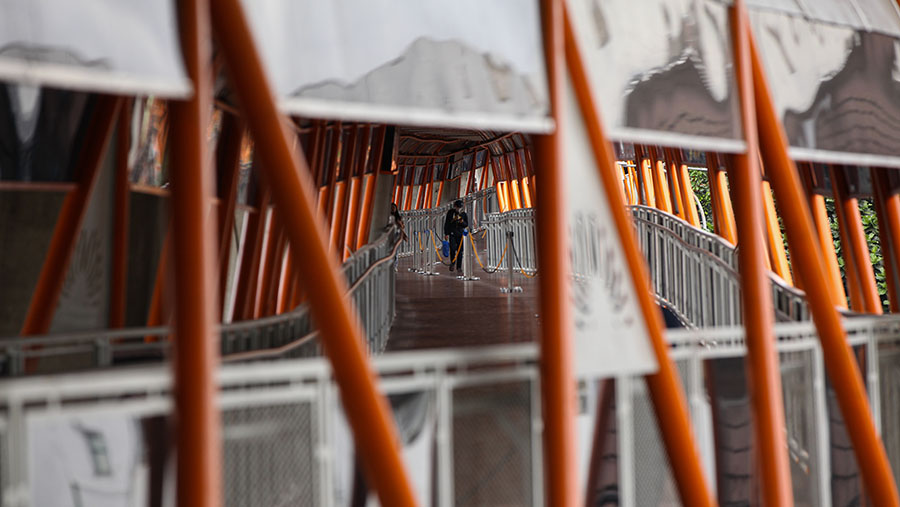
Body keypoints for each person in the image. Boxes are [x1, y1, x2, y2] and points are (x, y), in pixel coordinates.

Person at [443, 199, 469, 272]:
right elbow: (447, 223)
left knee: (460, 251)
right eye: (457, 207)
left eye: (460, 207)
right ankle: (453, 262)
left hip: (460, 234)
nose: (458, 209)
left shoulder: (463, 214)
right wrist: (446, 233)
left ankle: (459, 267)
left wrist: (462, 221)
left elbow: (466, 224)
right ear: (455, 206)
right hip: (452, 233)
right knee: (452, 248)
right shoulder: (450, 213)